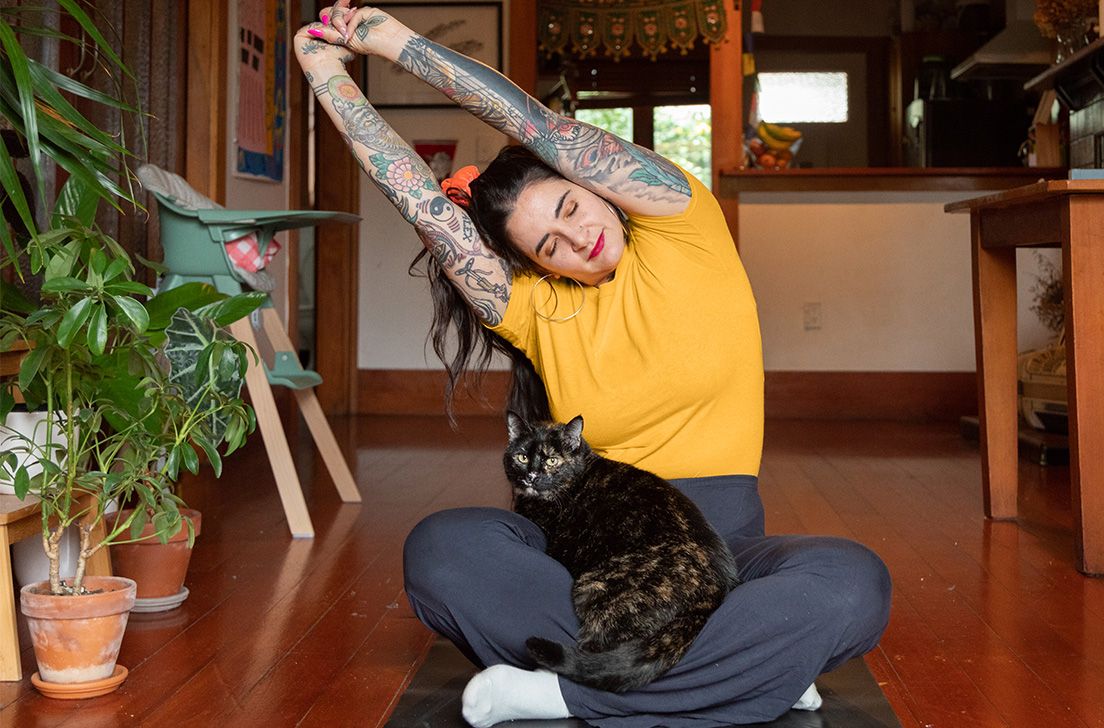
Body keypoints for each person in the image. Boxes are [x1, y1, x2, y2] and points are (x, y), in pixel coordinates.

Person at [296, 4, 891, 726]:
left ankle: (562, 693)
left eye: (574, 206)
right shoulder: (536, 310)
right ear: (535, 266)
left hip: (724, 553)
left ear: (597, 184)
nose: (577, 238)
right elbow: (423, 203)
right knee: (441, 551)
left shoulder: (684, 227)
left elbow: (538, 128)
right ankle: (746, 673)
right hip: (590, 562)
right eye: (548, 245)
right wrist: (328, 79)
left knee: (852, 582)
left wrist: (394, 43)